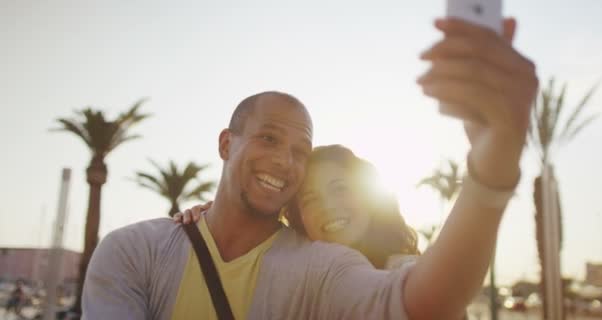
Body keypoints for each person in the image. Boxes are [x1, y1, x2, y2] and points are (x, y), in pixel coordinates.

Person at [82, 17, 538, 320]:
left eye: (301, 149)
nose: (285, 160)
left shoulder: (325, 265)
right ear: (226, 143)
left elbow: (418, 302)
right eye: (268, 138)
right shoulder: (133, 251)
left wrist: (492, 164)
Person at [176, 144, 421, 269]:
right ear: (299, 219)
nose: (327, 206)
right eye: (310, 199)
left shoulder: (406, 275)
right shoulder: (294, 280)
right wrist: (209, 221)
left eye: (339, 189)